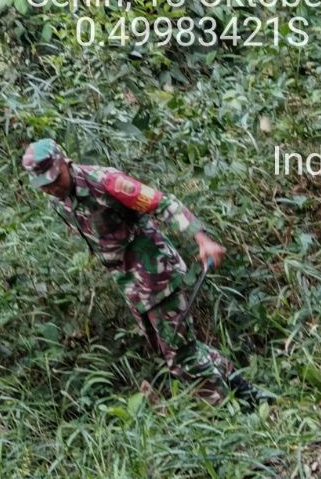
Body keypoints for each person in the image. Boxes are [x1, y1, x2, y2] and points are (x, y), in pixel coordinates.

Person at [21, 138, 270, 410]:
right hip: (129, 282)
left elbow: (164, 204)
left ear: (65, 163)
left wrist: (202, 239)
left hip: (155, 272)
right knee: (175, 346)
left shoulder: (106, 182)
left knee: (180, 354)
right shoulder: (61, 201)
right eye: (44, 185)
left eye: (55, 179)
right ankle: (247, 393)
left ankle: (229, 416)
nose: (52, 188)